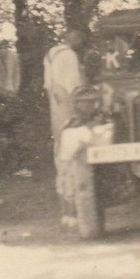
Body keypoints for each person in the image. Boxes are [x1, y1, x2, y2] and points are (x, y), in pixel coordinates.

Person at [43, 27, 88, 227]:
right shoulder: (69, 56)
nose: (81, 42)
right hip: (68, 107)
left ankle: (66, 213)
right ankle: (75, 211)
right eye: (80, 37)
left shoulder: (51, 54)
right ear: (72, 37)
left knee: (60, 153)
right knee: (74, 153)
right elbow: (75, 87)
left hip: (55, 107)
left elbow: (49, 85)